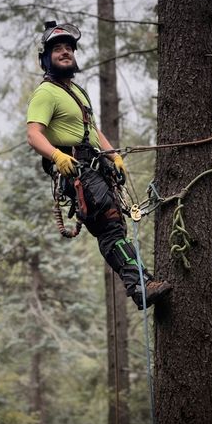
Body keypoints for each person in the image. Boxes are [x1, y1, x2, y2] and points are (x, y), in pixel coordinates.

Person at [26, 21, 172, 310]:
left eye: (69, 48)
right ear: (46, 57)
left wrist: (112, 156)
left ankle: (142, 284)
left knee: (114, 226)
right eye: (58, 49)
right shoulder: (45, 93)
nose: (65, 52)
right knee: (109, 229)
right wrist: (57, 156)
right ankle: (141, 287)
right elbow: (33, 134)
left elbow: (93, 130)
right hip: (75, 169)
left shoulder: (77, 92)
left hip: (94, 166)